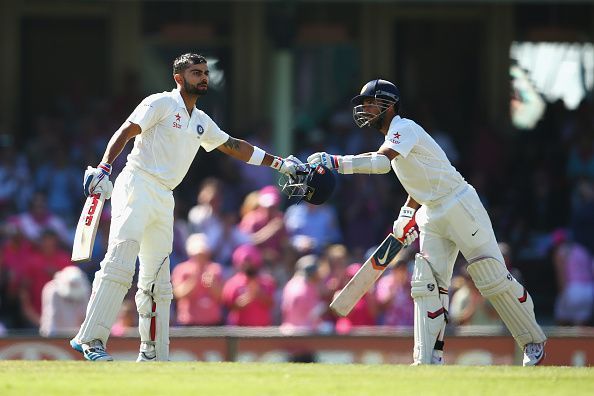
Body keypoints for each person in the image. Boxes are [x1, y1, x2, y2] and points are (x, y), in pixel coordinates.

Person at [70, 53, 304, 362]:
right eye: (196, 73)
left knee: (157, 278)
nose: (203, 77)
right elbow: (126, 130)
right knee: (120, 262)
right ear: (179, 78)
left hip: (165, 196)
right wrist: (104, 167)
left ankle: (153, 353)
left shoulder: (201, 121)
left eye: (205, 72)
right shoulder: (161, 103)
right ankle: (91, 339)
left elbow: (233, 145)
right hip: (137, 184)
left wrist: (280, 163)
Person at [307, 79, 546, 366]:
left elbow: (381, 164)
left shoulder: (404, 129)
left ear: (389, 104)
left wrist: (335, 162)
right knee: (426, 284)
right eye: (364, 104)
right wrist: (407, 215)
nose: (365, 109)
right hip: (432, 211)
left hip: (458, 202)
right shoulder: (394, 139)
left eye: (370, 102)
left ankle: (533, 341)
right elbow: (420, 184)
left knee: (491, 275)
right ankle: (427, 359)